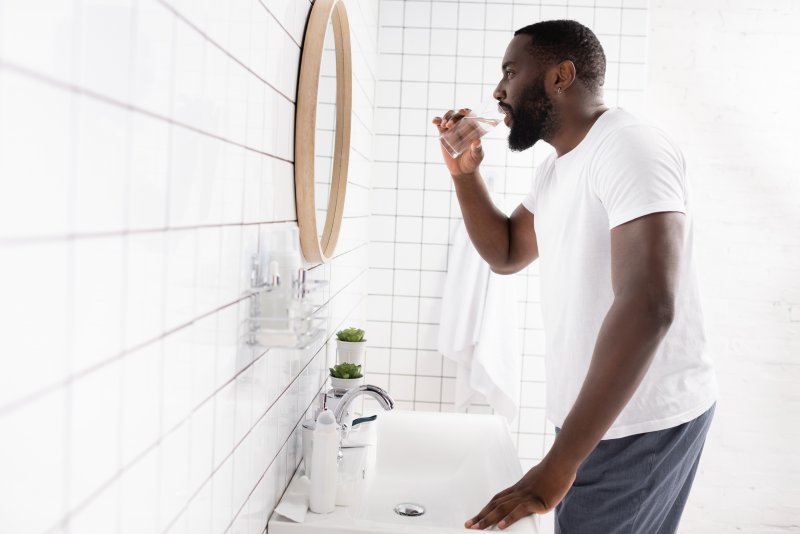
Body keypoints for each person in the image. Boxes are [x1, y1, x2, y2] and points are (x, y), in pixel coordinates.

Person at [432, 20, 717, 533]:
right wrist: (466, 174)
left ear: (562, 75)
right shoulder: (560, 166)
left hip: (640, 422)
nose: (498, 91)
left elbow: (649, 305)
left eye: (511, 72)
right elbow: (508, 252)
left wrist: (559, 463)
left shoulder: (631, 147)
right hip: (602, 418)